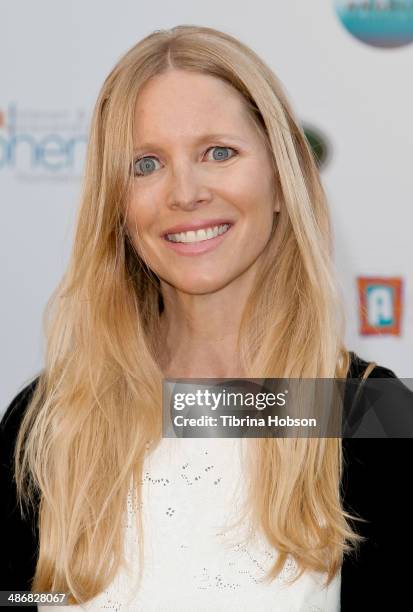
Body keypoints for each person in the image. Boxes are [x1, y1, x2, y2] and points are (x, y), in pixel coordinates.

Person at [1, 24, 412, 611]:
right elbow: (16, 597)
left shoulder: (367, 410)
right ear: (117, 205)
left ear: (281, 178)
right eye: (146, 164)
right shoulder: (47, 422)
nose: (184, 192)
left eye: (219, 152)